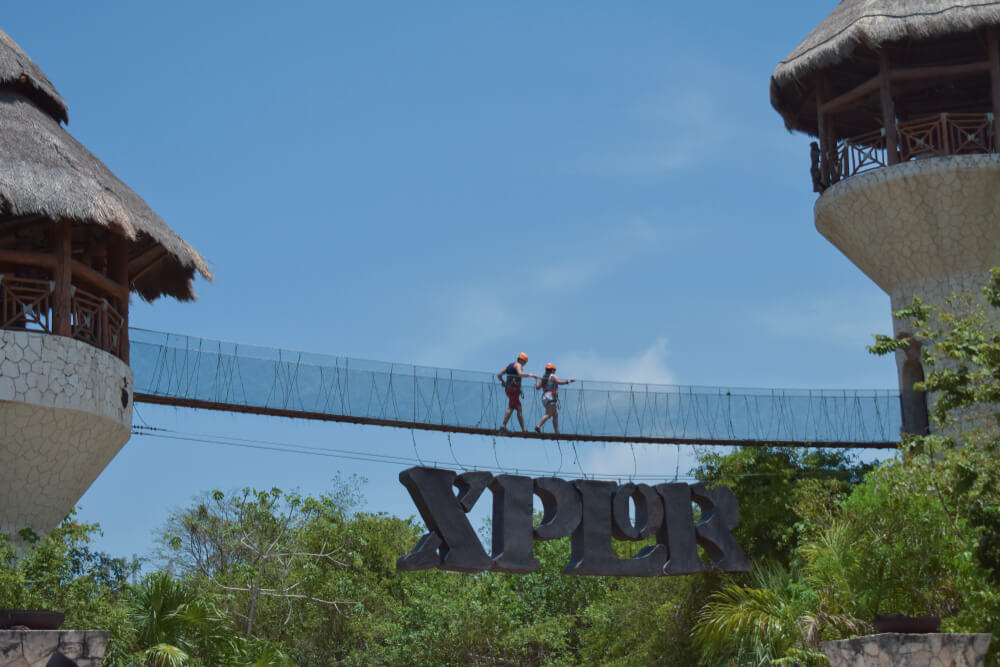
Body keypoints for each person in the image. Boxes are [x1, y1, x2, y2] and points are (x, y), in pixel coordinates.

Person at [498, 352, 538, 432]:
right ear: (522, 360)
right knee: (515, 408)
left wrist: (503, 382)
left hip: (509, 389)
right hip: (514, 389)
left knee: (515, 407)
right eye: (525, 362)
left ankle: (521, 428)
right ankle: (507, 426)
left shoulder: (509, 365)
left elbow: (499, 375)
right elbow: (520, 373)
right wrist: (530, 375)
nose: (524, 364)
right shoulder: (518, 365)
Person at [534, 363, 575, 434]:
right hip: (551, 397)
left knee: (555, 414)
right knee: (549, 414)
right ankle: (538, 426)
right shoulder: (553, 376)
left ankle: (556, 431)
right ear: (552, 370)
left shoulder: (544, 378)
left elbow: (538, 388)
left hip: (544, 397)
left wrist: (536, 385)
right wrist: (568, 382)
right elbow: (559, 382)